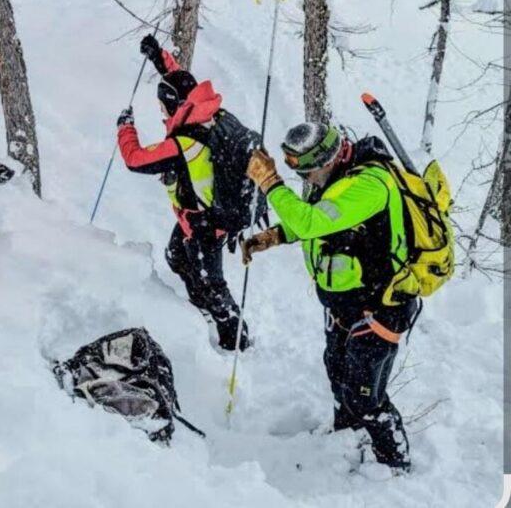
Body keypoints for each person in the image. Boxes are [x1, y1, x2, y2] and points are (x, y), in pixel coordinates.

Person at [241, 122, 418, 472]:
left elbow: (312, 222)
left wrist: (271, 182)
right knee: (337, 372)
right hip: (344, 305)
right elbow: (321, 221)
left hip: (382, 306)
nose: (304, 178)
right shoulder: (334, 179)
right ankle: (347, 439)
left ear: (327, 158)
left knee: (365, 397)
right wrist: (275, 236)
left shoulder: (369, 185)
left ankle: (396, 463)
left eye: (306, 170)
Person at [115, 35, 250, 352]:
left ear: (174, 106)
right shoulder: (207, 111)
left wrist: (125, 128)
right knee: (176, 256)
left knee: (213, 283)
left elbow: (136, 160)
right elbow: (180, 81)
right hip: (195, 218)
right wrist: (158, 56)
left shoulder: (184, 143)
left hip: (206, 223)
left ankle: (237, 341)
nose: (161, 112)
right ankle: (199, 306)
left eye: (163, 107)